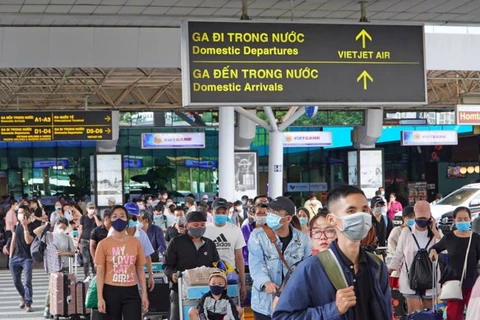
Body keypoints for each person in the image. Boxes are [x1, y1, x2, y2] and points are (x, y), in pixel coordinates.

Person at [272, 185, 392, 320]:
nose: (361, 216)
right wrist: (334, 309)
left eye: (364, 210)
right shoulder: (311, 268)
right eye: (351, 211)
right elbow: (282, 317)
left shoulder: (376, 266)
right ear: (331, 219)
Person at [248, 196, 312, 320]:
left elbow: (307, 268)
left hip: (292, 303)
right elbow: (256, 264)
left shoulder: (302, 239)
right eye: (270, 211)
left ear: (288, 218)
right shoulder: (257, 236)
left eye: (275, 213)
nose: (270, 215)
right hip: (264, 304)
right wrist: (266, 283)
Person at [271, 210, 338, 310]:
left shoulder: (351, 265)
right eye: (317, 232)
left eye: (329, 231)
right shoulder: (300, 269)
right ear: (310, 237)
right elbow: (277, 308)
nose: (322, 237)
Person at [95, 205, 149, 320]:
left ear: (127, 219)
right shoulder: (103, 244)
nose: (119, 219)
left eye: (122, 216)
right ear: (110, 219)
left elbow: (140, 269)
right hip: (110, 290)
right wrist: (100, 297)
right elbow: (99, 271)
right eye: (115, 216)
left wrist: (144, 293)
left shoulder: (136, 243)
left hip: (131, 290)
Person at [388, 200, 443, 314]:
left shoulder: (436, 233)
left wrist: (435, 231)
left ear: (430, 217)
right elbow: (399, 253)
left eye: (425, 218)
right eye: (419, 217)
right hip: (410, 278)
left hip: (430, 279)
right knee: (415, 314)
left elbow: (445, 249)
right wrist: (390, 270)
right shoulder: (407, 232)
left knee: (429, 314)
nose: (422, 221)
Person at [163, 211, 220, 320]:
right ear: (186, 225)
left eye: (203, 225)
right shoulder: (176, 242)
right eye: (196, 225)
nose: (200, 228)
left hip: (205, 290)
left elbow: (216, 265)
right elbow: (166, 266)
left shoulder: (209, 244)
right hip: (179, 289)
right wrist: (173, 275)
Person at [429, 206, 480, 320]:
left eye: (466, 219)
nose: (463, 222)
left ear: (470, 219)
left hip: (472, 284)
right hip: (453, 284)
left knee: (475, 316)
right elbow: (435, 248)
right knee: (453, 316)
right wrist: (432, 251)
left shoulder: (476, 238)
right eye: (460, 219)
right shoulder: (449, 238)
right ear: (454, 220)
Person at [204, 198, 247, 302]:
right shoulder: (204, 230)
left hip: (230, 277)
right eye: (217, 212)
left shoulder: (235, 230)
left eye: (224, 212)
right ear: (211, 212)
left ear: (228, 212)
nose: (221, 214)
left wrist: (243, 284)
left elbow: (239, 258)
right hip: (209, 278)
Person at [34, 218, 75, 319]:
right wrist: (47, 225)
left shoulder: (68, 238)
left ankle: (64, 309)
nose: (62, 229)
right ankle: (47, 308)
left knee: (66, 288)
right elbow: (36, 231)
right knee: (52, 289)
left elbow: (73, 253)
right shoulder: (49, 235)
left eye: (64, 227)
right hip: (53, 266)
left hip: (65, 266)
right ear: (56, 225)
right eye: (60, 227)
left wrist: (63, 253)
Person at [9, 205, 36, 313]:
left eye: (21, 212)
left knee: (27, 281)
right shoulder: (17, 225)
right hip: (15, 256)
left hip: (27, 258)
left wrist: (25, 227)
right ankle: (23, 296)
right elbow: (13, 240)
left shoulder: (33, 226)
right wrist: (10, 255)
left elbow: (28, 241)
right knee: (16, 281)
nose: (19, 214)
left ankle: (28, 303)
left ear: (27, 214)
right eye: (18, 212)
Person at [387, 206, 415, 288]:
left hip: (414, 271)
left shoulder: (417, 232)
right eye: (410, 217)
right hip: (399, 270)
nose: (412, 219)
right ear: (404, 218)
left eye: (414, 217)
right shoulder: (397, 231)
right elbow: (393, 250)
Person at [78, 202, 102, 280]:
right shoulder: (83, 218)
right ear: (87, 209)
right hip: (84, 240)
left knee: (93, 259)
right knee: (85, 259)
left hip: (94, 241)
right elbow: (80, 229)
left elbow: (99, 226)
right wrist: (78, 241)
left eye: (93, 208)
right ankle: (87, 275)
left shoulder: (97, 217)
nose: (91, 210)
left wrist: (95, 216)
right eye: (90, 208)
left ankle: (95, 275)